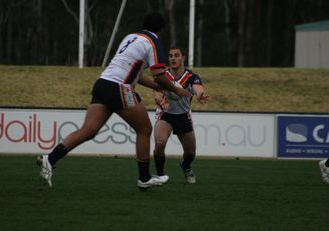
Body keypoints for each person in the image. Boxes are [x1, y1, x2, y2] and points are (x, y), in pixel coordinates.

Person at [36, 13, 190, 191]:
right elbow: (160, 76)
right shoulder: (153, 42)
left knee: (88, 130)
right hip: (119, 87)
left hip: (102, 83)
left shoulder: (131, 37)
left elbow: (137, 75)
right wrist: (175, 89)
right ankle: (144, 177)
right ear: (160, 30)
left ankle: (50, 159)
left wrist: (159, 87)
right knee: (144, 129)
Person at [152, 47, 209, 184]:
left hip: (183, 115)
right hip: (165, 114)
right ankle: (160, 175)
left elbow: (197, 88)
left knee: (190, 153)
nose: (173, 58)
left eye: (176, 55)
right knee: (159, 143)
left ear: (183, 58)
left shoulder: (191, 77)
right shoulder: (162, 75)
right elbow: (157, 93)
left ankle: (186, 165)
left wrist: (200, 95)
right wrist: (161, 101)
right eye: (170, 55)